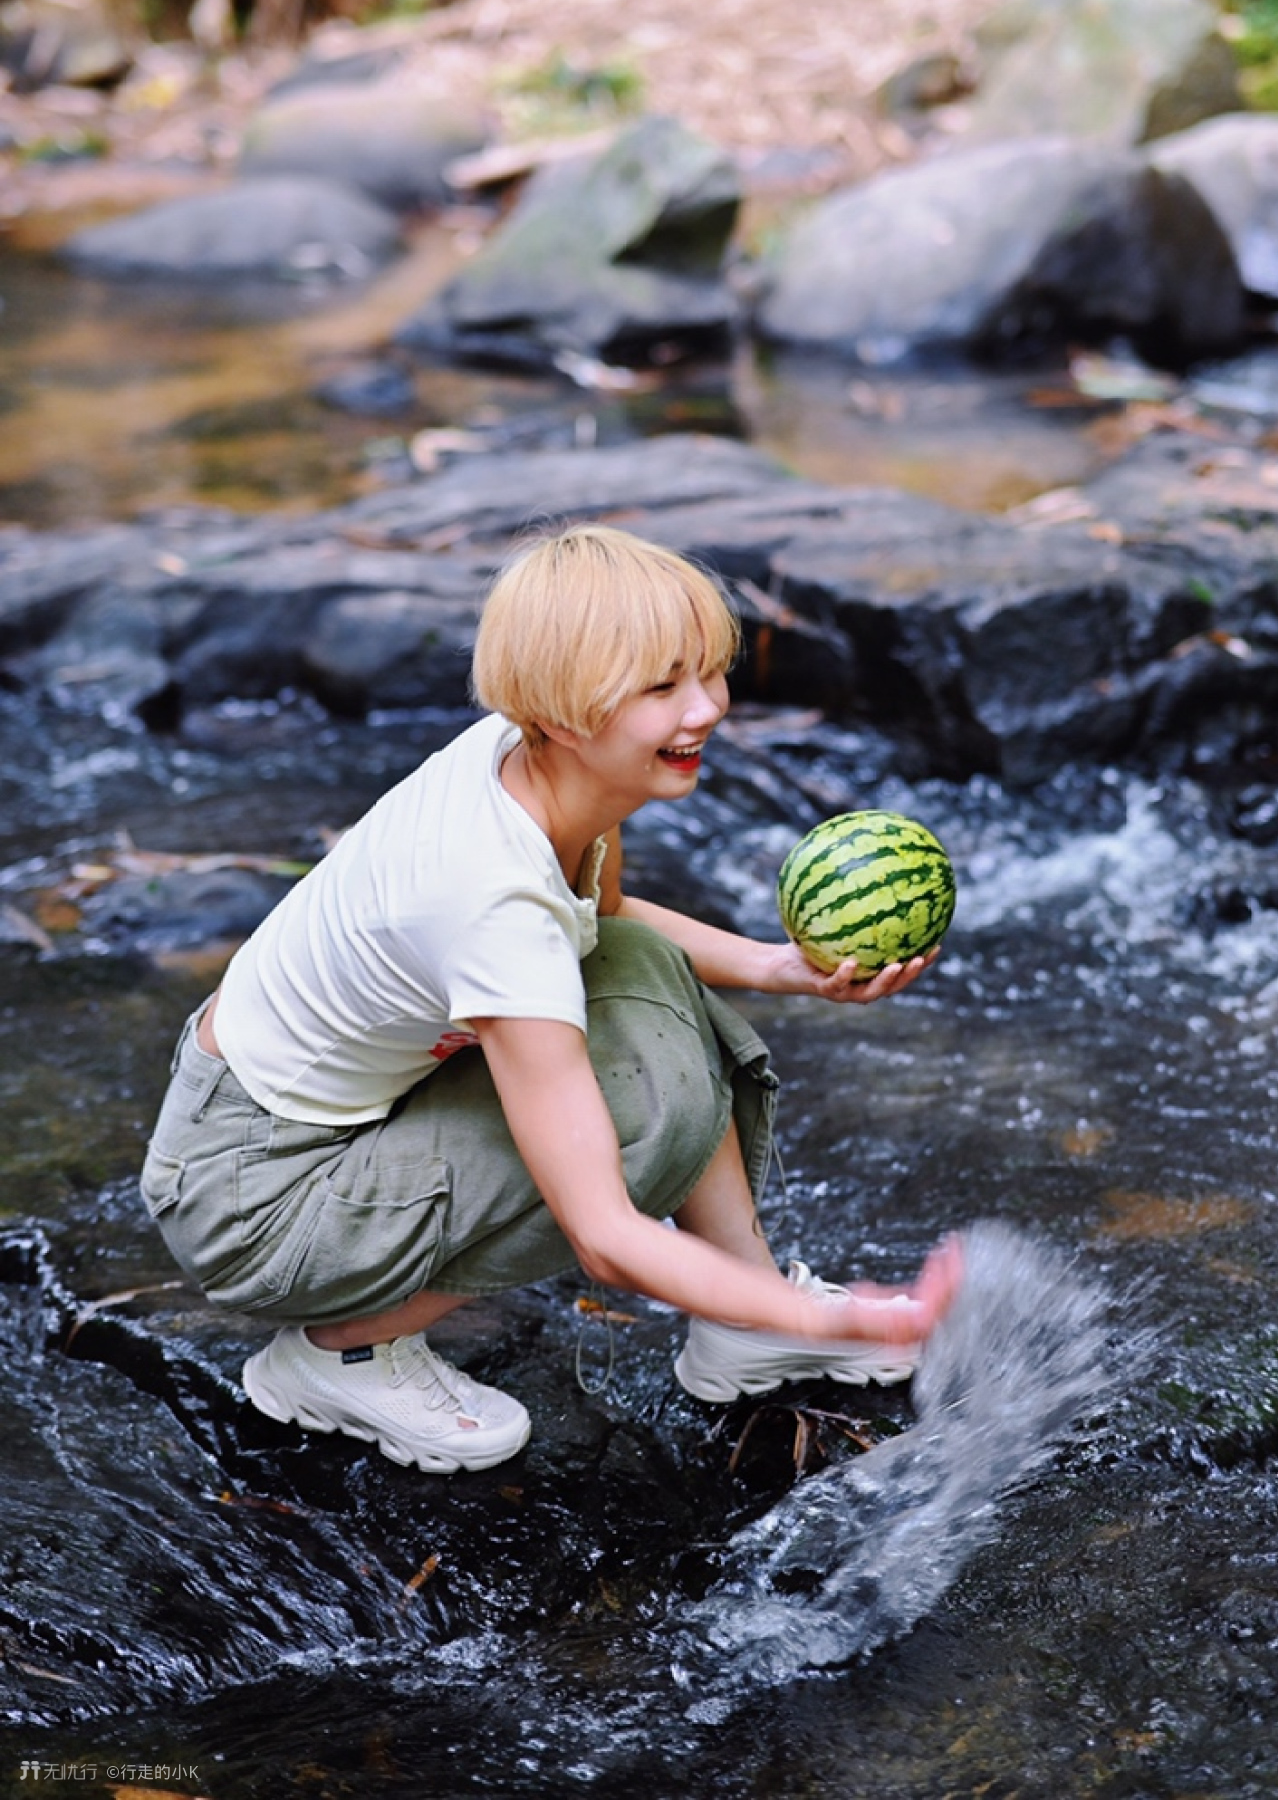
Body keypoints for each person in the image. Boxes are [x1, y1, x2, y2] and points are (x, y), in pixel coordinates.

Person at [139, 524, 962, 1473]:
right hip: (256, 1197)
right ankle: (340, 1353)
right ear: (566, 713)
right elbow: (605, 1233)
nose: (707, 709)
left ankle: (741, 1313)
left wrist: (781, 966)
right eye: (662, 688)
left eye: (709, 671)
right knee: (648, 1122)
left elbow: (606, 919)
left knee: (640, 966)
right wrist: (849, 1315)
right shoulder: (490, 897)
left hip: (279, 1117)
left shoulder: (536, 759)